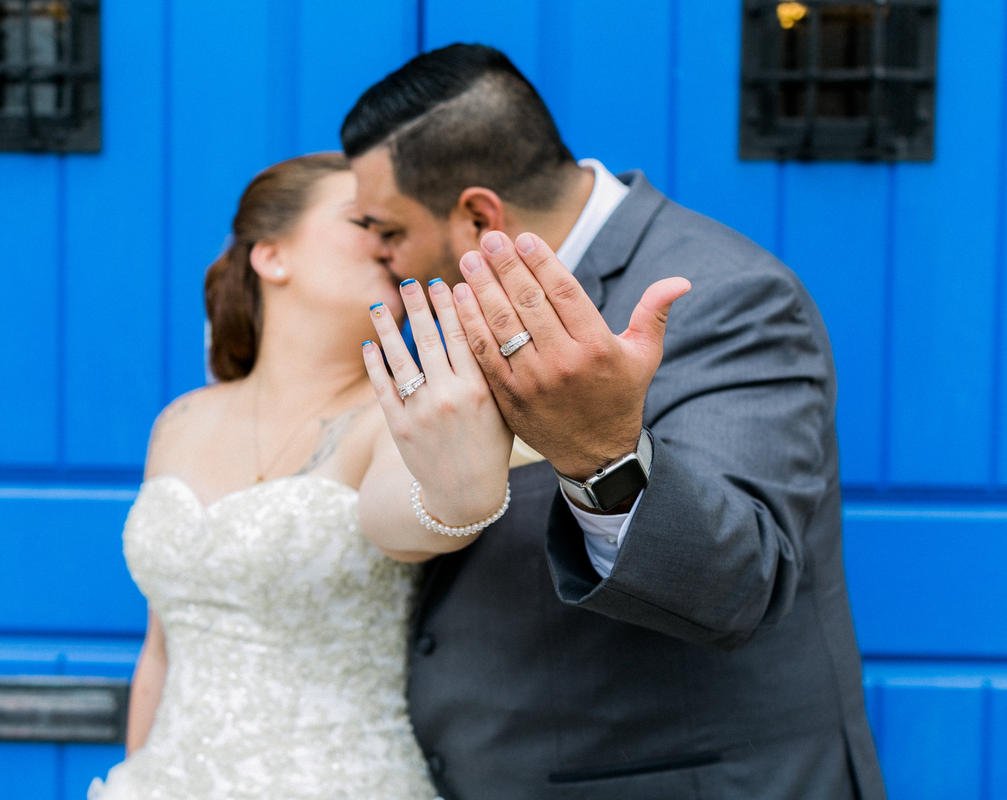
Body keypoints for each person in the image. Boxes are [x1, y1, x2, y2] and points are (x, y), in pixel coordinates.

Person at [344, 44, 887, 799]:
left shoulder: (724, 293)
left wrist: (599, 454)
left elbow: (743, 583)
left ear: (477, 216)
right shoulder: (451, 309)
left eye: (389, 231)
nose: (378, 255)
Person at [88, 153, 518, 799]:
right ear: (271, 255)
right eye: (363, 220)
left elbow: (423, 515)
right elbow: (160, 650)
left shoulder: (401, 419)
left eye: (395, 227)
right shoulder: (178, 422)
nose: (388, 239)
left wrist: (457, 496)